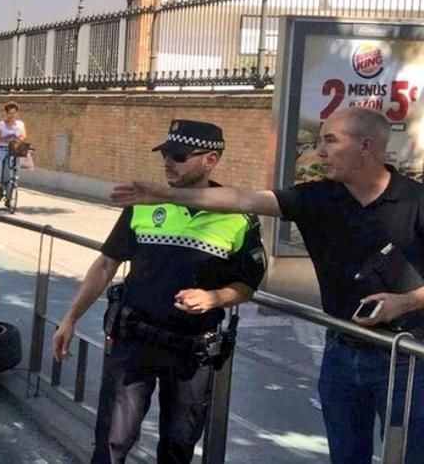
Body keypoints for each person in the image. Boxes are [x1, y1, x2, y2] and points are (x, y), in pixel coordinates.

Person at [112, 107, 424, 464]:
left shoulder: (416, 201)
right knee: (347, 455)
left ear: (366, 145)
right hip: (342, 350)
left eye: (331, 141)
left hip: (408, 357)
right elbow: (246, 199)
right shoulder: (320, 197)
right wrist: (165, 194)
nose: (320, 152)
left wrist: (407, 302)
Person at [56, 120, 265, 464]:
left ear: (210, 160)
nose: (167, 162)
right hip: (134, 341)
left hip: (192, 350)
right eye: (165, 154)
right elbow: (106, 264)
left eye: (178, 156)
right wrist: (69, 318)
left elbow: (247, 285)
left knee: (177, 447)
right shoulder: (144, 204)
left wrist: (214, 298)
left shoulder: (238, 217)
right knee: (111, 443)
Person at [0, 102, 27, 183]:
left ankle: (8, 186)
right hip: (2, 148)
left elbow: (23, 136)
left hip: (14, 149)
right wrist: (6, 138)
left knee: (9, 166)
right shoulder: (0, 125)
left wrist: (17, 139)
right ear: (6, 113)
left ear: (17, 113)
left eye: (13, 113)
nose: (11, 115)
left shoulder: (20, 124)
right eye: (9, 113)